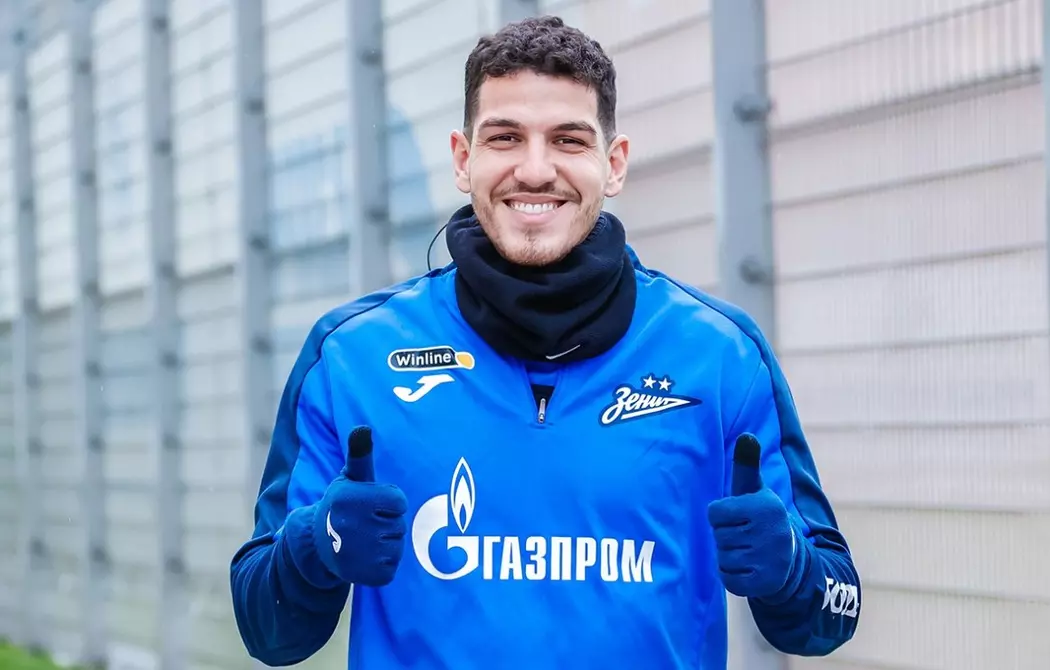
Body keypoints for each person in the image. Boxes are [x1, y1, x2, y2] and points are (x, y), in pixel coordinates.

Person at [229, 15, 860, 669]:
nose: (535, 170)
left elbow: (832, 614)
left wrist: (790, 565)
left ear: (613, 164)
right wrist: (316, 545)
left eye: (568, 140)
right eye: (505, 137)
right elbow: (266, 632)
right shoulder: (352, 356)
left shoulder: (721, 356)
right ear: (463, 159)